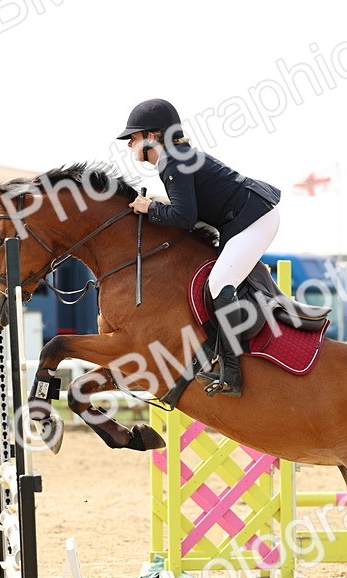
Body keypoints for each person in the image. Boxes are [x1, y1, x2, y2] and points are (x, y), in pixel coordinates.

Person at [118, 98, 281, 398]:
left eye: (133, 137)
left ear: (152, 137)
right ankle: (216, 351)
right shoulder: (176, 159)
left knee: (219, 283)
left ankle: (231, 371)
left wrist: (149, 207)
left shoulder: (173, 162)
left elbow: (184, 217)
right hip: (243, 219)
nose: (129, 144)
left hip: (255, 219)